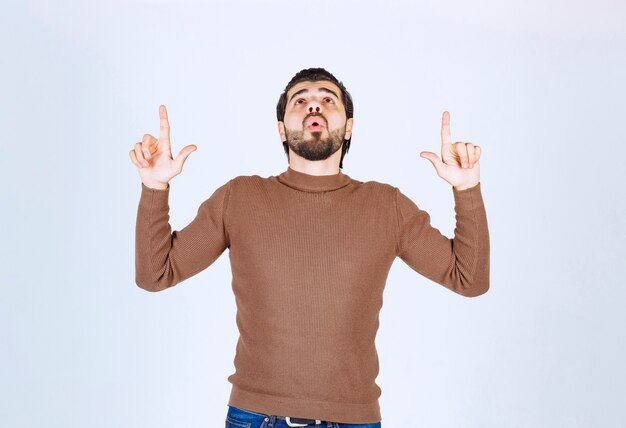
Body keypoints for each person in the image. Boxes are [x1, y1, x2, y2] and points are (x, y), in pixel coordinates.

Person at [129, 67, 490, 428]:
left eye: (327, 100)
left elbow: (469, 279)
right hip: (256, 418)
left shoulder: (386, 205)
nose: (313, 106)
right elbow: (156, 273)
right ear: (281, 129)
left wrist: (466, 189)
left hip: (354, 420)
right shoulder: (240, 198)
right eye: (300, 100)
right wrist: (155, 187)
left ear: (349, 126)